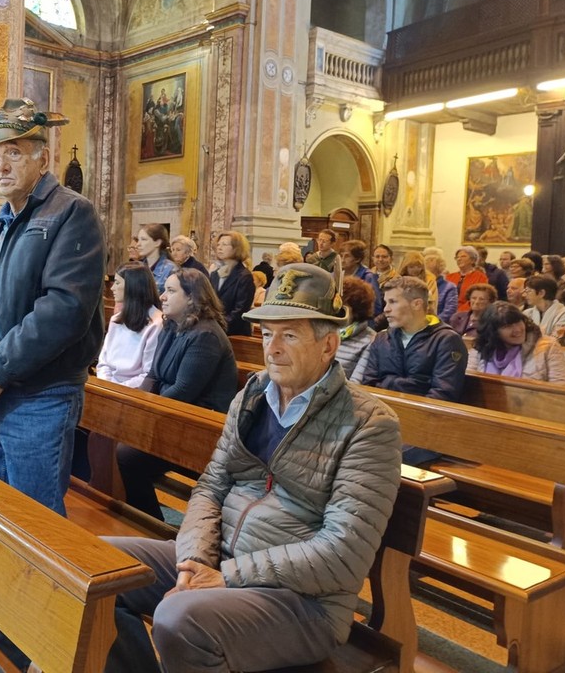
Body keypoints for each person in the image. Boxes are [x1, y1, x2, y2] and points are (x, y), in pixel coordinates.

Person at [103, 263, 401, 672]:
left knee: (180, 619)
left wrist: (226, 576)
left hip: (303, 601)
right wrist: (195, 560)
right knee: (101, 565)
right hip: (223, 559)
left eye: (289, 335)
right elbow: (211, 485)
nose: (272, 348)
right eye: (266, 334)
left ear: (328, 345)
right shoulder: (254, 395)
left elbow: (343, 551)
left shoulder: (368, 424)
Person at [0, 97, 105, 516]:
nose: (0, 166)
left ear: (43, 159)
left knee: (34, 521)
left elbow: (64, 309)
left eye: (13, 153)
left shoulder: (71, 212)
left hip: (38, 395)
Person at [116, 268, 238, 520]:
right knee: (111, 439)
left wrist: (143, 415)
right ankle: (132, 515)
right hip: (174, 417)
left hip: (201, 428)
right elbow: (153, 375)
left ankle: (150, 522)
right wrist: (135, 407)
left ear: (192, 298)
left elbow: (183, 391)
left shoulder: (206, 335)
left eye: (171, 291)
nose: (162, 296)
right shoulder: (172, 326)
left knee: (127, 456)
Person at [361, 276, 467, 464]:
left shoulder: (446, 340)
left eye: (393, 302)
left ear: (417, 304)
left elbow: (442, 395)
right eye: (386, 302)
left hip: (426, 429)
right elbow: (368, 385)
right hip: (382, 421)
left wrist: (389, 384)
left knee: (375, 457)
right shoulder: (382, 339)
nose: (386, 309)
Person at [96, 263, 163, 388]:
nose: (112, 288)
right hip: (107, 386)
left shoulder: (156, 324)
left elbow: (148, 373)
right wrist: (107, 385)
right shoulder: (116, 319)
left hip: (133, 391)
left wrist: (118, 389)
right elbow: (103, 362)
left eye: (117, 283)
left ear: (132, 286)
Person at [468, 302, 565, 383]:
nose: (517, 330)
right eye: (507, 326)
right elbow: (469, 381)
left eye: (518, 322)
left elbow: (560, 388)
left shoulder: (547, 347)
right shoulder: (481, 349)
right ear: (493, 332)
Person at [208, 230, 256, 336]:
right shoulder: (215, 274)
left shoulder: (244, 276)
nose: (219, 248)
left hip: (234, 332)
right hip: (214, 329)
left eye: (224, 244)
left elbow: (240, 310)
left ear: (236, 248)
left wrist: (220, 327)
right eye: (218, 244)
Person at [337, 276, 376, 382]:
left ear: (356, 310)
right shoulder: (325, 331)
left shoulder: (370, 340)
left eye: (342, 308)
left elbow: (356, 383)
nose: (336, 311)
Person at [523, 275, 565, 345]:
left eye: (528, 291)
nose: (524, 295)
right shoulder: (527, 313)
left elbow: (555, 340)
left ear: (541, 293)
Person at [339, 239, 382, 314]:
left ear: (357, 259)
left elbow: (376, 307)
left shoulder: (368, 276)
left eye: (347, 256)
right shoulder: (338, 274)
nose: (342, 260)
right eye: (341, 256)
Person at [445, 246, 489, 314]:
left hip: (469, 313)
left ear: (472, 260)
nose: (459, 259)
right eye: (457, 257)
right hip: (447, 312)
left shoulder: (481, 277)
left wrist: (459, 312)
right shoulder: (449, 277)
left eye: (463, 256)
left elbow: (478, 299)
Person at [136, 223, 175, 293]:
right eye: (138, 240)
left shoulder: (171, 270)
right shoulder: (137, 267)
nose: (138, 244)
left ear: (157, 243)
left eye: (143, 239)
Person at [423, 253, 457, 323]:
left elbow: (449, 311)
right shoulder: (421, 285)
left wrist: (434, 322)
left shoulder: (449, 287)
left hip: (438, 324)